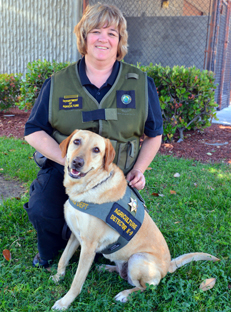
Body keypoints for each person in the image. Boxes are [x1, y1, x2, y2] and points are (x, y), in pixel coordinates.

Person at [23, 3, 163, 268]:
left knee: (119, 233)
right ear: (84, 36)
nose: (104, 39)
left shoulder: (140, 83)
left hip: (114, 175)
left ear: (120, 41)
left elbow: (154, 134)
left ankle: (91, 244)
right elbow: (33, 130)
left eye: (112, 33)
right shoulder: (58, 83)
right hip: (68, 172)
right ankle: (52, 249)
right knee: (43, 209)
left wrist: (140, 170)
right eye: (96, 31)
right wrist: (65, 159)